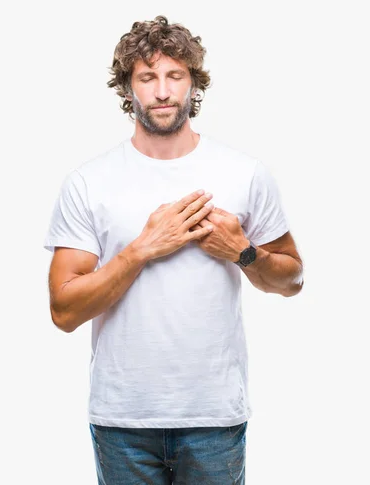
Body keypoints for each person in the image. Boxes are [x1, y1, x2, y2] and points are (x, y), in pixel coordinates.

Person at [43, 15, 304, 485]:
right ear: (128, 89)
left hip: (214, 418)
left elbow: (293, 279)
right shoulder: (88, 182)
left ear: (193, 84)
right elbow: (63, 311)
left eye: (174, 76)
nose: (162, 91)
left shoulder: (243, 173)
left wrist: (243, 251)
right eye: (147, 77)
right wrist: (142, 248)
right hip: (123, 420)